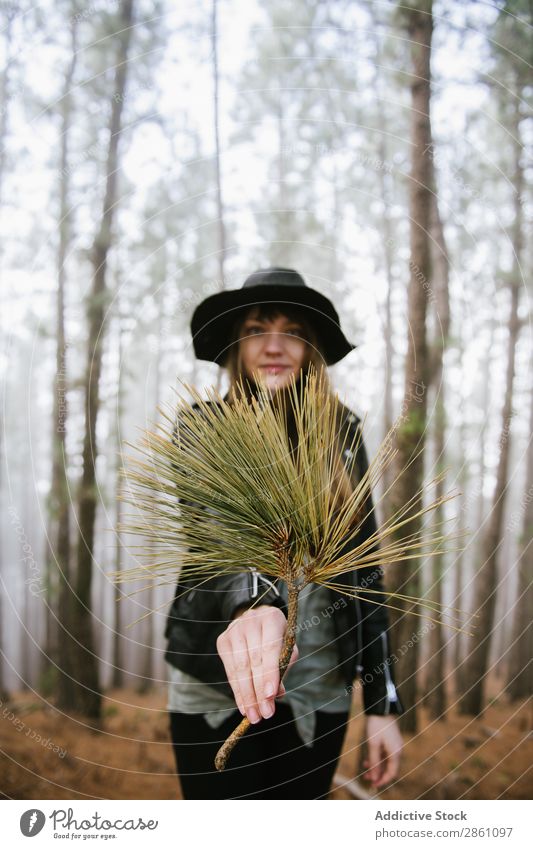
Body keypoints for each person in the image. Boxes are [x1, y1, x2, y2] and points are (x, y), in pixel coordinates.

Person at [164, 267, 403, 799]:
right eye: (255, 329)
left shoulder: (342, 435)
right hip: (215, 678)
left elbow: (366, 570)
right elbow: (215, 534)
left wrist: (384, 703)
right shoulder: (201, 428)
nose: (274, 346)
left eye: (292, 330)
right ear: (235, 344)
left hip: (321, 685)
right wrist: (256, 602)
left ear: (311, 346)